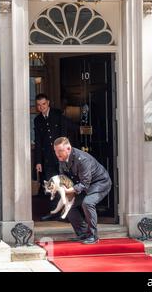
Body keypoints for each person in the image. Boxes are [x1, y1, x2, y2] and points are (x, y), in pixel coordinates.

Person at [53, 137, 112, 244]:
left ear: (68, 148)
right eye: (56, 151)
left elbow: (85, 184)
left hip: (100, 183)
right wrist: (59, 186)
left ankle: (93, 235)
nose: (57, 154)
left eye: (60, 151)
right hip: (83, 184)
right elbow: (63, 177)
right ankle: (83, 233)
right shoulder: (62, 158)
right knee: (69, 204)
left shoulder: (83, 159)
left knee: (87, 203)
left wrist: (69, 190)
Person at [34, 93, 68, 221]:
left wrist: (65, 156)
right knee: (52, 186)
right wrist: (38, 161)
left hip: (61, 156)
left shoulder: (57, 114)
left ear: (48, 103)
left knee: (64, 184)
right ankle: (54, 212)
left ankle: (66, 213)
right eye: (39, 105)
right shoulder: (37, 120)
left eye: (43, 104)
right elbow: (38, 142)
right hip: (47, 158)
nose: (41, 107)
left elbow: (64, 135)